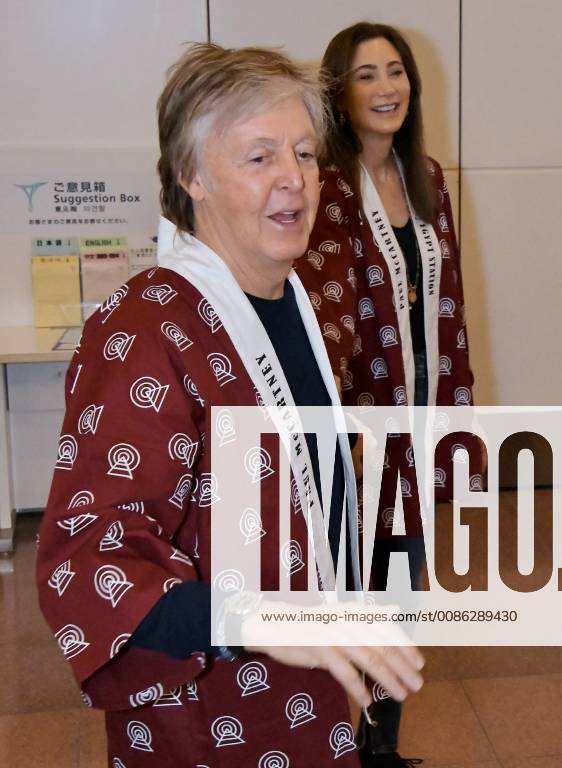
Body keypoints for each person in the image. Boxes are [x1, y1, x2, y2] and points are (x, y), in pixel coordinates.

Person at [36, 43, 425, 767]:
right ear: (191, 177)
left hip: (308, 697)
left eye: (305, 154)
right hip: (207, 716)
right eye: (258, 158)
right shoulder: (145, 327)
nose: (295, 180)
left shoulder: (296, 305)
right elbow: (88, 560)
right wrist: (251, 616)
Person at [296, 22, 480, 768]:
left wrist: (453, 425)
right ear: (338, 94)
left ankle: (380, 749)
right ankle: (329, 742)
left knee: (399, 595)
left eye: (395, 72)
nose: (385, 88)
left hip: (414, 424)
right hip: (352, 433)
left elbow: (450, 307)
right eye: (366, 74)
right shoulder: (320, 185)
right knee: (341, 592)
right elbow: (314, 314)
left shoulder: (425, 177)